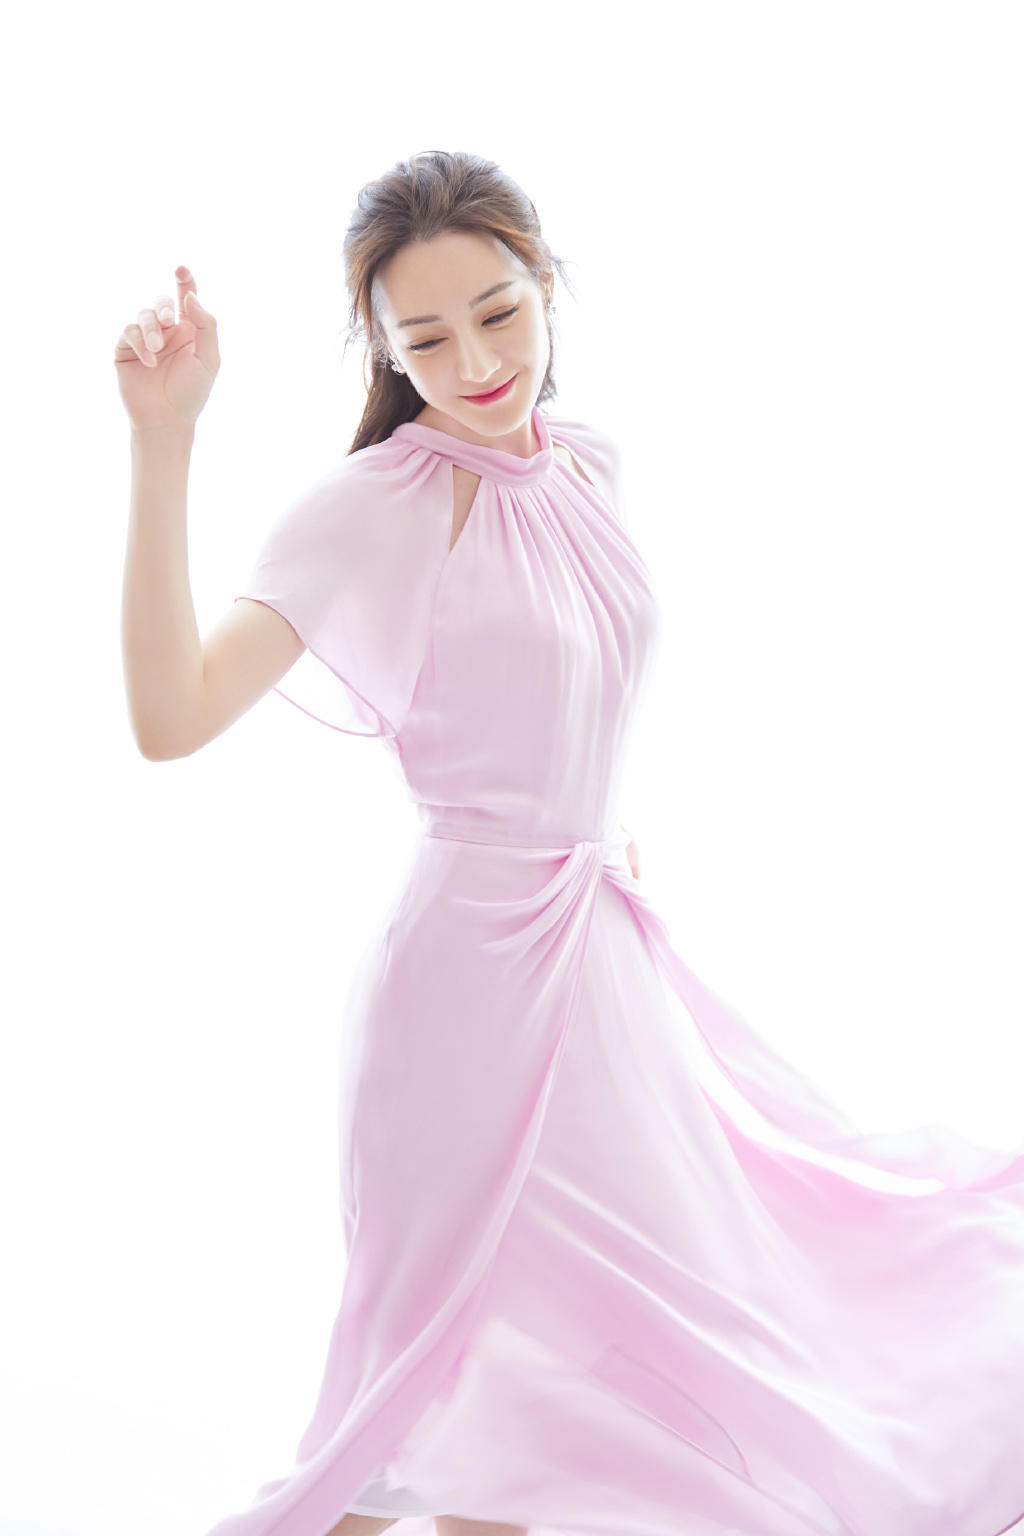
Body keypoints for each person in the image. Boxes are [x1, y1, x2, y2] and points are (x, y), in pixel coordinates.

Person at [116, 150, 1024, 1536]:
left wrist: (594, 816)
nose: (477, 363)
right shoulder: (375, 508)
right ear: (380, 348)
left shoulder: (588, 461)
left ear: (548, 284)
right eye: (426, 339)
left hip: (598, 971)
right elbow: (170, 716)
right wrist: (165, 437)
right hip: (461, 1001)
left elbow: (555, 677)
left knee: (557, 1400)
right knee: (422, 1400)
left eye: (499, 313)